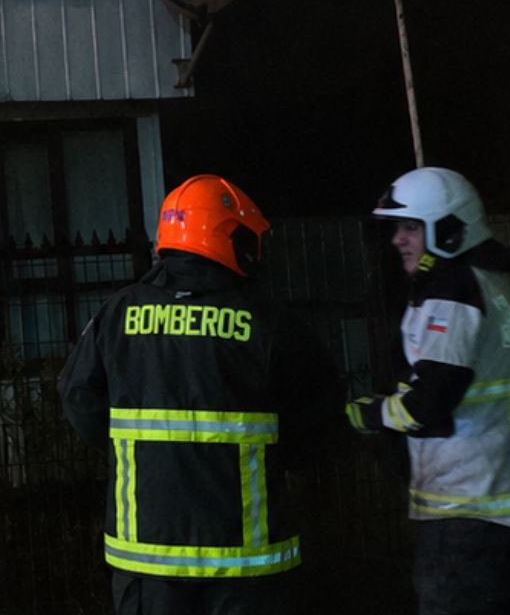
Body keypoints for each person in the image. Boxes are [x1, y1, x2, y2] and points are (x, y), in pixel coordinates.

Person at [58, 174, 345, 615]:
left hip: (146, 560)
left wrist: (136, 453)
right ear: (225, 234)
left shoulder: (118, 313)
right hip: (244, 562)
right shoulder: (264, 319)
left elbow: (78, 398)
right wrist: (279, 455)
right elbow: (322, 407)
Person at [346, 166, 510, 614]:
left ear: (450, 228)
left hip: (469, 514)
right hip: (505, 513)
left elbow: (429, 404)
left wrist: (367, 415)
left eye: (410, 227)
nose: (398, 239)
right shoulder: (492, 283)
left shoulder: (451, 292)